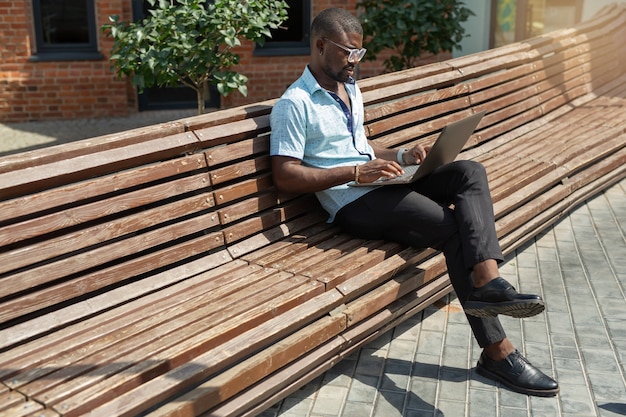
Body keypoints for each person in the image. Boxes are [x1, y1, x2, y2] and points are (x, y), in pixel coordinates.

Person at [269, 7, 559, 397]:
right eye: (348, 52)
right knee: (452, 228)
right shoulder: (295, 103)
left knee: (468, 171)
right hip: (353, 202)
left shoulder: (348, 88)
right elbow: (285, 174)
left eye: (360, 52)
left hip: (379, 184)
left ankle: (487, 279)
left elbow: (358, 147)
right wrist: (356, 174)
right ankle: (497, 352)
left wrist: (402, 155)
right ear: (321, 46)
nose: (356, 61)